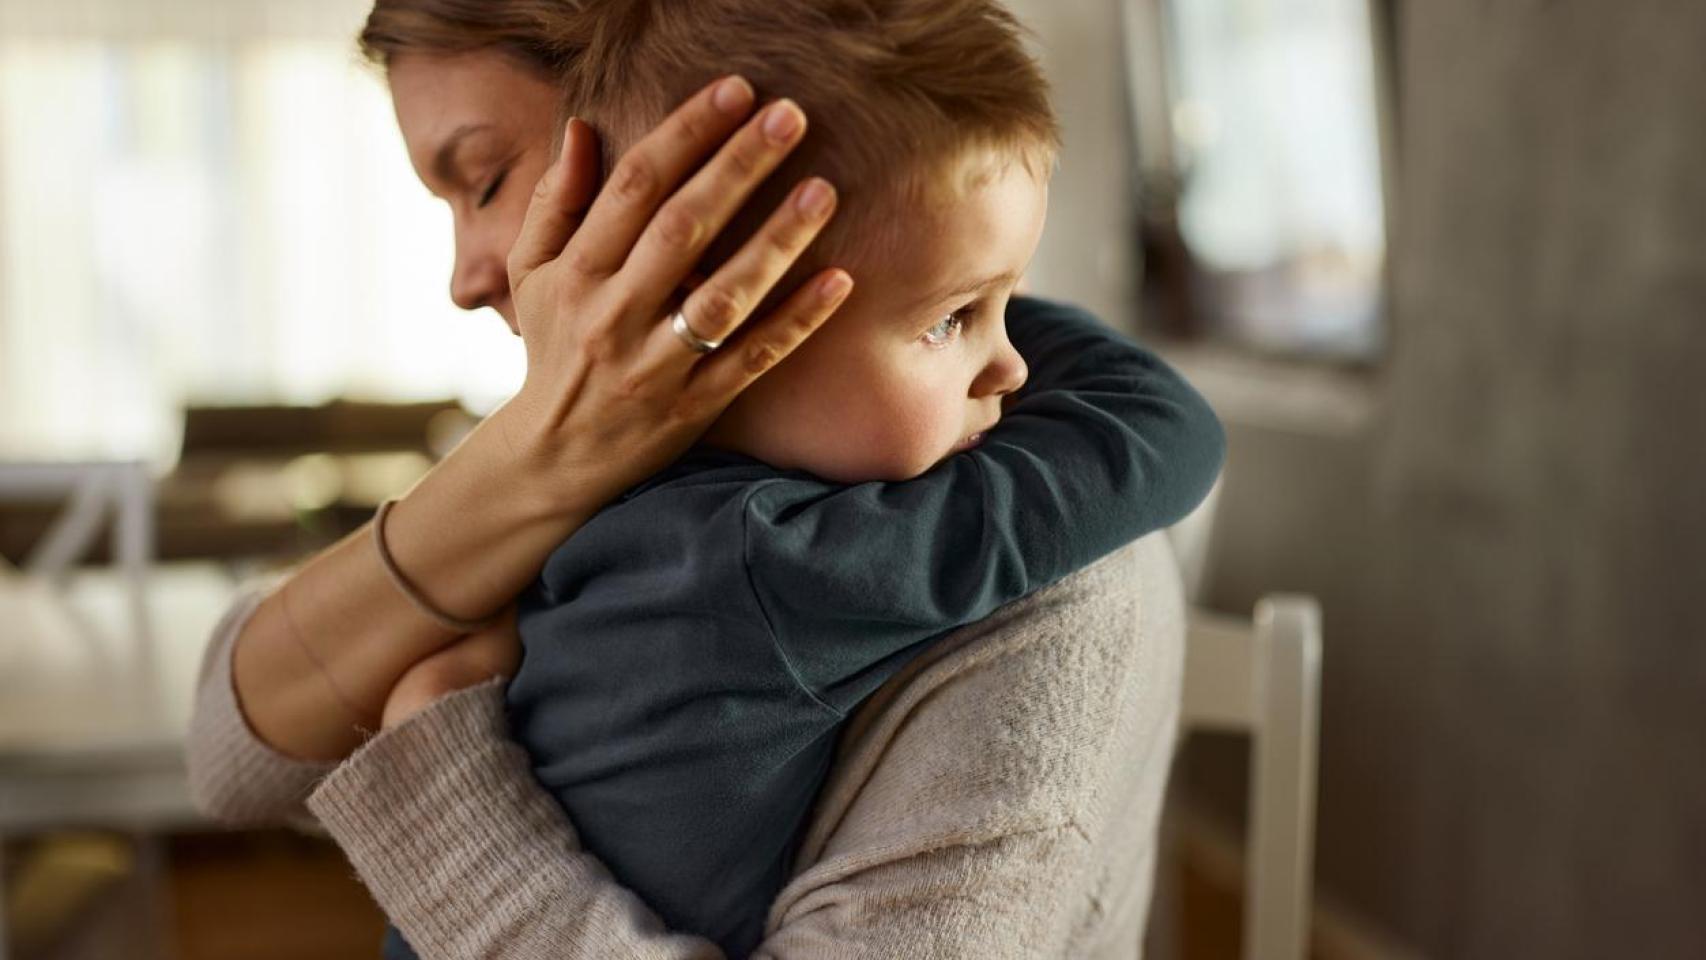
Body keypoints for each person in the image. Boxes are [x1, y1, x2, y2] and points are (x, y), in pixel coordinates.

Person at [184, 1, 1224, 957]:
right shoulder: (652, 465)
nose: (463, 277)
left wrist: (444, 799)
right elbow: (233, 757)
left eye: (486, 178)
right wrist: (534, 457)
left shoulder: (1031, 562)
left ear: (690, 168)